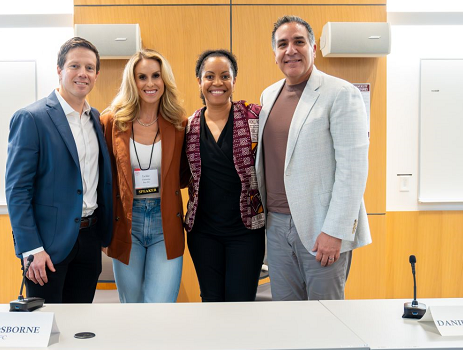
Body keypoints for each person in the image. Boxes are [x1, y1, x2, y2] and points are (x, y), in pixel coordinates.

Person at [256, 16, 371, 301]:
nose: (290, 50)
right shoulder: (269, 95)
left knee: (325, 318)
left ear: (314, 48)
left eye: (299, 42)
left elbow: (353, 170)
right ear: (274, 54)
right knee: (287, 315)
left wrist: (335, 232)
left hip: (322, 227)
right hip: (277, 225)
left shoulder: (342, 93)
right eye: (282, 44)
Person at [5, 37, 113, 303]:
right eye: (74, 65)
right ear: (59, 70)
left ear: (97, 74)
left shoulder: (96, 119)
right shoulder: (32, 118)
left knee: (80, 328)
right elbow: (17, 190)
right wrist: (31, 249)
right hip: (47, 246)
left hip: (89, 238)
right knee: (47, 329)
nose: (82, 74)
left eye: (89, 68)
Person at [100, 49, 187, 303]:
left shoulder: (178, 123)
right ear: (132, 82)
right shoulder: (111, 122)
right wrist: (106, 232)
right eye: (142, 77)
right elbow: (104, 180)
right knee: (133, 308)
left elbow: (184, 175)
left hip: (165, 222)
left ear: (164, 80)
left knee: (159, 307)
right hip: (127, 222)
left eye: (156, 76)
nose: (150, 84)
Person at [184, 49, 265, 302]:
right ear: (199, 81)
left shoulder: (255, 118)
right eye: (209, 76)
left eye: (224, 76)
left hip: (245, 232)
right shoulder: (187, 126)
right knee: (211, 300)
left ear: (234, 81)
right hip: (203, 233)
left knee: (241, 302)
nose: (217, 83)